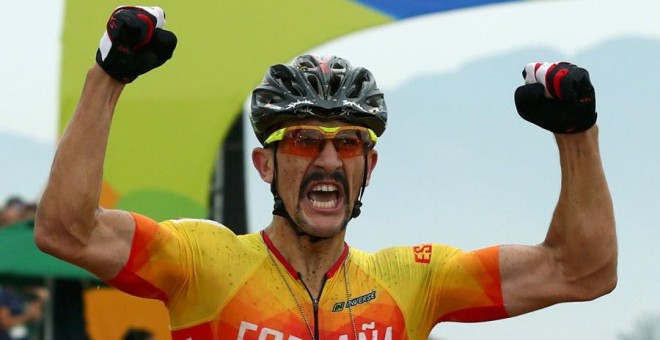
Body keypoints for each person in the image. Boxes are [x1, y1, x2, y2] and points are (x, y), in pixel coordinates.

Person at [34, 5, 617, 340]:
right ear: (265, 164)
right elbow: (67, 230)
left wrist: (578, 137)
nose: (330, 161)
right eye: (306, 140)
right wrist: (108, 77)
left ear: (371, 165)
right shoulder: (202, 261)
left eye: (349, 144)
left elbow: (582, 272)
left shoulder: (416, 280)